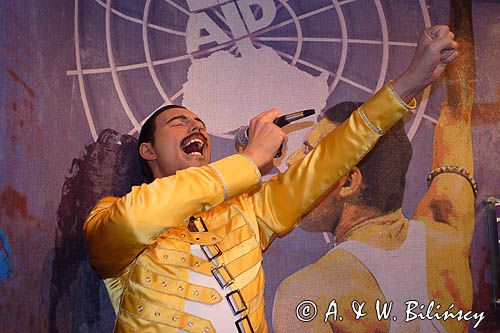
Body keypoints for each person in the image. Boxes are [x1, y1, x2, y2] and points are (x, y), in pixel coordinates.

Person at [84, 26, 458, 332]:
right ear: (147, 151)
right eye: (178, 121)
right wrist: (249, 162)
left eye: (199, 123)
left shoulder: (247, 211)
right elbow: (136, 221)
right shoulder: (110, 214)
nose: (195, 125)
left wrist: (407, 84)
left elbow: (330, 160)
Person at [273, 27, 477, 333]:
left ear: (348, 183)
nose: (290, 162)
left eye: (310, 155)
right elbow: (457, 119)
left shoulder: (307, 294)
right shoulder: (448, 229)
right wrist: (451, 48)